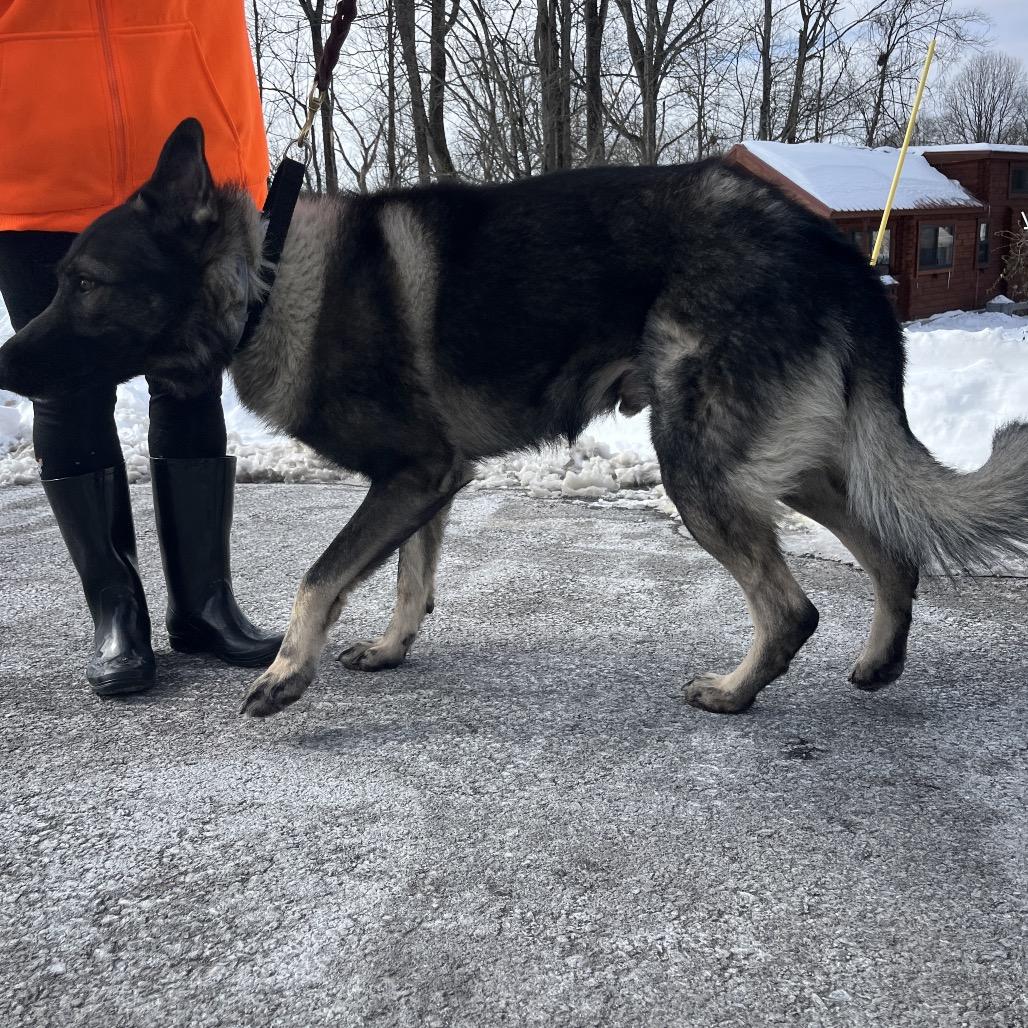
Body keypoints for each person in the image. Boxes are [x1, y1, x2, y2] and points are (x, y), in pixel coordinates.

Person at [0, 1, 282, 696]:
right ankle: (115, 613)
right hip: (33, 164)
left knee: (191, 378)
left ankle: (204, 605)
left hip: (184, 160)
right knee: (64, 388)